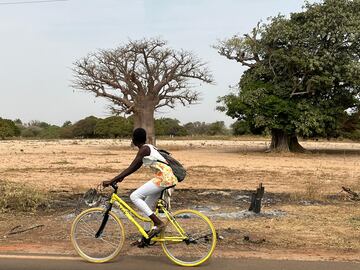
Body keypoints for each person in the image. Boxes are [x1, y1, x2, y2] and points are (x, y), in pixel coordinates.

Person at [102, 128, 178, 237]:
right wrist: (120, 177)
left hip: (164, 178)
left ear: (133, 140)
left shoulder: (144, 150)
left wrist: (111, 180)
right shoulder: (148, 148)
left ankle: (158, 223)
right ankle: (146, 236)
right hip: (167, 178)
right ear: (145, 138)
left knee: (134, 196)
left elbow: (131, 167)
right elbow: (135, 167)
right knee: (146, 205)